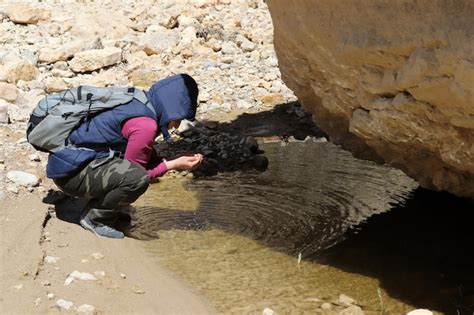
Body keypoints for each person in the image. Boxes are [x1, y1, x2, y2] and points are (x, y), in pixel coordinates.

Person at [47, 73, 204, 239]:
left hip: (67, 164)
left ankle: (108, 208)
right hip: (70, 176)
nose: (177, 125)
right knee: (136, 180)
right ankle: (95, 218)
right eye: (178, 117)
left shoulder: (140, 100)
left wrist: (173, 159)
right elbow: (137, 175)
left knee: (140, 167)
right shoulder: (146, 125)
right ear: (172, 109)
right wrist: (173, 164)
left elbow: (142, 158)